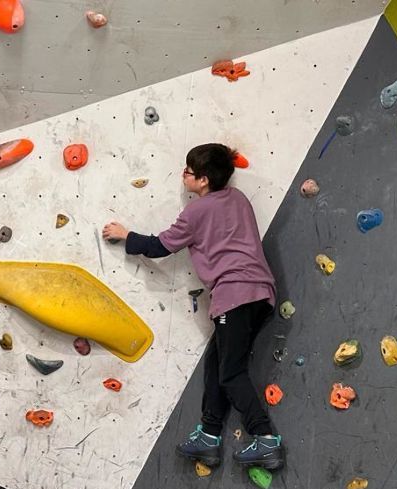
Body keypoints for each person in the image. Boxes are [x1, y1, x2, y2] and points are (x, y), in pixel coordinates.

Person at [101, 143, 285, 471]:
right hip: (260, 293)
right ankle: (210, 436)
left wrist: (124, 234)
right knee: (217, 364)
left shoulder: (196, 212)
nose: (182, 174)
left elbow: (159, 247)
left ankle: (266, 439)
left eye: (188, 170)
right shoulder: (238, 200)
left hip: (234, 294)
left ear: (202, 180)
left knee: (231, 373)